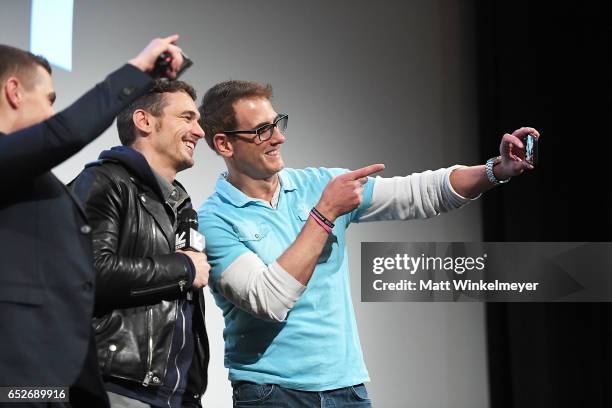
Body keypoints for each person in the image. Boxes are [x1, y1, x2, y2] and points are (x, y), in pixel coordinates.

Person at [197, 80, 540, 407]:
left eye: (277, 123)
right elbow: (269, 301)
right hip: (271, 393)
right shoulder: (214, 221)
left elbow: (419, 194)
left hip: (346, 389)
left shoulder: (318, 183)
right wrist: (325, 212)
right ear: (225, 144)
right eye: (262, 131)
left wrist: (496, 170)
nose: (279, 138)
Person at [0, 35, 185, 407]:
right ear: (14, 91)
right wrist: (140, 70)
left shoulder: (29, 177)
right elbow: (63, 133)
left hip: (53, 379)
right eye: (49, 100)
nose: (53, 115)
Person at [70, 79, 211, 408]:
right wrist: (185, 267)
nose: (199, 131)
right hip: (119, 391)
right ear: (144, 121)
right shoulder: (103, 182)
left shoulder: (179, 205)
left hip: (176, 397)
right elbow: (90, 273)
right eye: (187, 118)